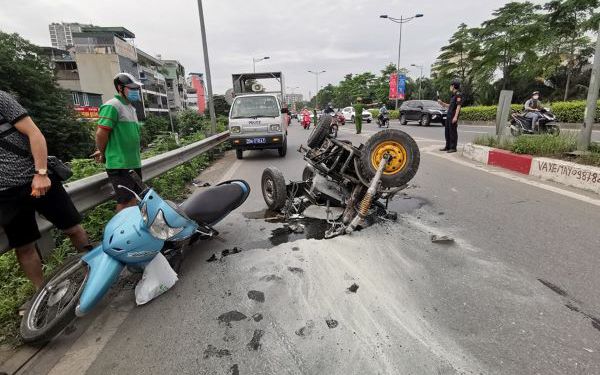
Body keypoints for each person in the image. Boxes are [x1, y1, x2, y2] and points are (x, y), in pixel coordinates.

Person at [0, 90, 89, 291]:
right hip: (6, 194)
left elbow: (34, 133)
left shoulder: (1, 99)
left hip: (38, 179)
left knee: (72, 228)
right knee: (24, 247)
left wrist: (40, 173)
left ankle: (91, 272)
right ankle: (43, 295)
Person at [92, 73, 144, 212]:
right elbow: (101, 133)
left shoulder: (130, 108)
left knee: (134, 199)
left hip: (133, 161)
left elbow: (120, 135)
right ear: (120, 88)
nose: (135, 91)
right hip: (120, 163)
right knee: (125, 202)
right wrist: (103, 152)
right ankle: (119, 230)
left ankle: (131, 230)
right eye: (131, 88)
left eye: (136, 88)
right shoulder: (112, 106)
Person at [438, 80, 463, 153]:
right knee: (447, 131)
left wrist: (455, 117)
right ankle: (447, 146)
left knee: (453, 132)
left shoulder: (458, 94)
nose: (450, 87)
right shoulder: (453, 95)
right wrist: (442, 103)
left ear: (454, 86)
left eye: (451, 85)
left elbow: (458, 106)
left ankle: (453, 147)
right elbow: (450, 106)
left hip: (453, 115)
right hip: (449, 115)